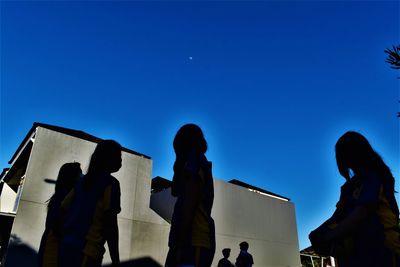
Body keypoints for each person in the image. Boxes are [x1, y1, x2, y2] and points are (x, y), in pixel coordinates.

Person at [309, 131, 400, 266]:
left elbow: (362, 212)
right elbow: (338, 216)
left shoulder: (375, 178)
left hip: (381, 246)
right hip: (358, 249)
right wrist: (317, 234)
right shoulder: (349, 187)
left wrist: (329, 236)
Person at [58, 140, 122, 267]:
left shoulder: (81, 183)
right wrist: (116, 260)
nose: (121, 161)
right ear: (108, 159)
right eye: (119, 157)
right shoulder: (111, 184)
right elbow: (111, 225)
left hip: (66, 247)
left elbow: (63, 208)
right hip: (88, 252)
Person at [165, 124, 216, 267]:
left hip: (191, 243)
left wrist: (181, 242)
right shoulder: (198, 164)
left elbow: (189, 204)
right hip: (194, 243)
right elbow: (175, 190)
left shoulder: (194, 165)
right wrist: (178, 168)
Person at [38, 162, 82, 267]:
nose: (82, 178)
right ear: (71, 177)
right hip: (54, 250)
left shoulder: (60, 195)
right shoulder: (63, 196)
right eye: (79, 175)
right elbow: (56, 226)